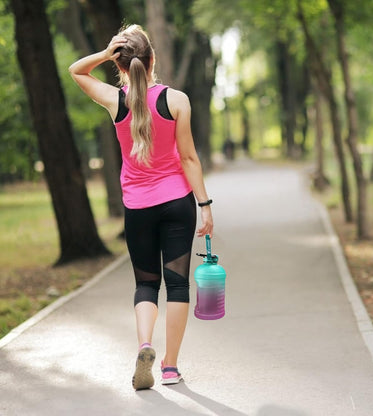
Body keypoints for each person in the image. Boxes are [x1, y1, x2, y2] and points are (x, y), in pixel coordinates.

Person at [69, 24, 213, 390]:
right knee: (178, 286)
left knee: (146, 284)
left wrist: (104, 54)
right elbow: (190, 158)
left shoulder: (115, 101)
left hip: (137, 207)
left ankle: (145, 344)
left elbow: (75, 71)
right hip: (179, 203)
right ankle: (169, 367)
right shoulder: (176, 99)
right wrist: (206, 205)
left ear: (121, 64)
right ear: (154, 60)